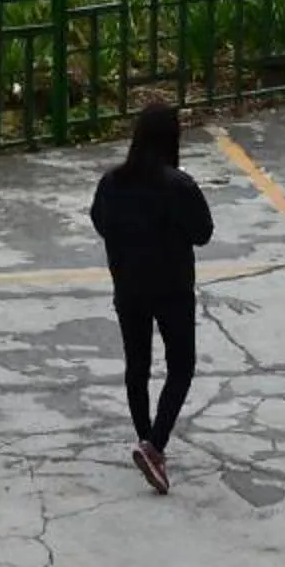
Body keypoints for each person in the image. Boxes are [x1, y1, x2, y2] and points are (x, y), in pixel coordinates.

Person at [88, 99, 214, 494]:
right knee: (181, 366)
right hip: (172, 288)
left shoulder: (111, 182)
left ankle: (145, 437)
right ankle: (154, 445)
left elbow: (99, 222)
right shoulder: (179, 185)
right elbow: (203, 233)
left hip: (128, 286)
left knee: (137, 365)